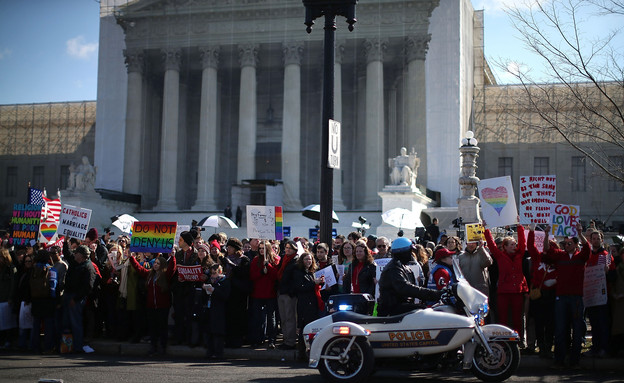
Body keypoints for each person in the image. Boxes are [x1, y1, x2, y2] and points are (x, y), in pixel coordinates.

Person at [542, 223, 587, 368]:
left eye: (569, 243)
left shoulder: (581, 257)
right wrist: (547, 234)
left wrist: (580, 233)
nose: (566, 245)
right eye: (565, 243)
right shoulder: (560, 255)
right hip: (561, 297)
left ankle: (575, 361)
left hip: (576, 298)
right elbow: (547, 249)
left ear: (575, 244)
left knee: (577, 329)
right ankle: (559, 360)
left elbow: (588, 248)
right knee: (560, 329)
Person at [377, 237, 444, 316]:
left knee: (428, 311)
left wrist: (436, 294)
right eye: (410, 251)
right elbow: (406, 288)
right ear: (403, 252)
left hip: (399, 307)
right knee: (424, 312)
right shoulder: (393, 268)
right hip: (392, 310)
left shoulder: (403, 266)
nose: (412, 254)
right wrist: (435, 294)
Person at [128, 251, 176, 356]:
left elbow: (172, 268)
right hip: (151, 306)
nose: (155, 265)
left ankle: (162, 347)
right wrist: (131, 258)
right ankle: (153, 347)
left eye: (158, 263)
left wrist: (173, 257)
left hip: (163, 306)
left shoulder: (165, 275)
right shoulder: (149, 274)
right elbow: (139, 268)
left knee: (162, 327)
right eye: (155, 263)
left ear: (162, 265)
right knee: (153, 327)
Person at [484, 224, 527, 336]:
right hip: (503, 292)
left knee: (517, 317)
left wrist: (520, 226)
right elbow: (491, 245)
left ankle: (517, 339)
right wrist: (486, 229)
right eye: (512, 245)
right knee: (502, 318)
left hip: (517, 291)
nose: (515, 246)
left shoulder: (520, 254)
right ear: (505, 247)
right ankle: (503, 340)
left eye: (515, 244)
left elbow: (523, 243)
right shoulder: (500, 256)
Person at [581, 227, 614, 358]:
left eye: (597, 239)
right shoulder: (587, 255)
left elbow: (613, 276)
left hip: (603, 296)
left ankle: (604, 348)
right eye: (593, 239)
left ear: (602, 240)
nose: (595, 241)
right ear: (590, 240)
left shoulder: (606, 256)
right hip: (590, 295)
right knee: (594, 323)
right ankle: (595, 347)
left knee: (603, 323)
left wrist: (608, 272)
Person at [526, 226, 556, 359]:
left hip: (552, 296)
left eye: (548, 247)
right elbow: (530, 246)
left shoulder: (557, 261)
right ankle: (541, 346)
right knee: (538, 323)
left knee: (550, 323)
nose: (545, 249)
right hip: (538, 296)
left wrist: (555, 281)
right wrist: (531, 231)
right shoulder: (537, 257)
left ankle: (549, 346)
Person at [62, 245, 96, 353]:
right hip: (69, 295)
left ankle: (77, 346)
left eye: (76, 253)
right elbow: (67, 253)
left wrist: (76, 299)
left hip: (76, 299)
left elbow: (88, 287)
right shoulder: (76, 262)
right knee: (66, 323)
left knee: (75, 323)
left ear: (81, 255)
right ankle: (66, 346)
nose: (74, 254)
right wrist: (66, 240)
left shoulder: (88, 267)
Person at [248, 240, 279, 349]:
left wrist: (269, 267)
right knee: (257, 318)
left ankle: (271, 340)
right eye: (260, 248)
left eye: (263, 248)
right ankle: (257, 339)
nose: (261, 250)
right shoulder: (255, 260)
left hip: (271, 294)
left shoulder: (275, 259)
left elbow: (277, 276)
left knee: (271, 318)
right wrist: (262, 272)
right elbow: (252, 276)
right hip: (258, 294)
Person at [293, 251, 324, 358]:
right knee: (304, 328)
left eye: (310, 259)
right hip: (304, 303)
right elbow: (299, 287)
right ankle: (302, 353)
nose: (308, 261)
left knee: (313, 328)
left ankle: (311, 351)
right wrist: (313, 283)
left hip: (313, 302)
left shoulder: (312, 272)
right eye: (306, 259)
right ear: (302, 261)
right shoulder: (298, 272)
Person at [172, 231, 199, 345]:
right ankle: (178, 338)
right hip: (179, 290)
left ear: (187, 242)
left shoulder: (197, 254)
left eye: (181, 240)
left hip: (191, 290)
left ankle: (189, 339)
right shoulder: (178, 254)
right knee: (178, 315)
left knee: (189, 316)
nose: (179, 241)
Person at [223, 237, 251, 348]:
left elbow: (243, 273)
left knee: (238, 316)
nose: (228, 249)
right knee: (229, 316)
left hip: (239, 292)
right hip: (228, 291)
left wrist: (231, 264)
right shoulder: (225, 258)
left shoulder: (244, 259)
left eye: (230, 247)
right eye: (227, 247)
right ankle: (228, 339)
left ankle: (238, 340)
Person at [202, 264, 231, 359]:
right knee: (209, 331)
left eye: (214, 273)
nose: (212, 276)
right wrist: (205, 288)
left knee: (218, 332)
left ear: (220, 272)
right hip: (210, 308)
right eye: (211, 273)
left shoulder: (225, 282)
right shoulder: (210, 280)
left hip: (220, 310)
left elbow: (225, 296)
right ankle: (210, 351)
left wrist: (214, 290)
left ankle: (218, 352)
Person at [276, 240, 299, 350]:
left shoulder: (296, 261)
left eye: (290, 248)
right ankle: (286, 339)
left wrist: (291, 292)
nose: (287, 249)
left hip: (289, 294)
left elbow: (295, 279)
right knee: (283, 318)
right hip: (281, 291)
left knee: (290, 318)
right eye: (286, 247)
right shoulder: (284, 259)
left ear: (294, 249)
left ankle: (290, 341)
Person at [0, 249, 17, 348]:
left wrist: (11, 297)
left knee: (7, 322)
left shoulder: (11, 268)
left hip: (6, 300)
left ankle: (7, 341)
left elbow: (13, 284)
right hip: (1, 298)